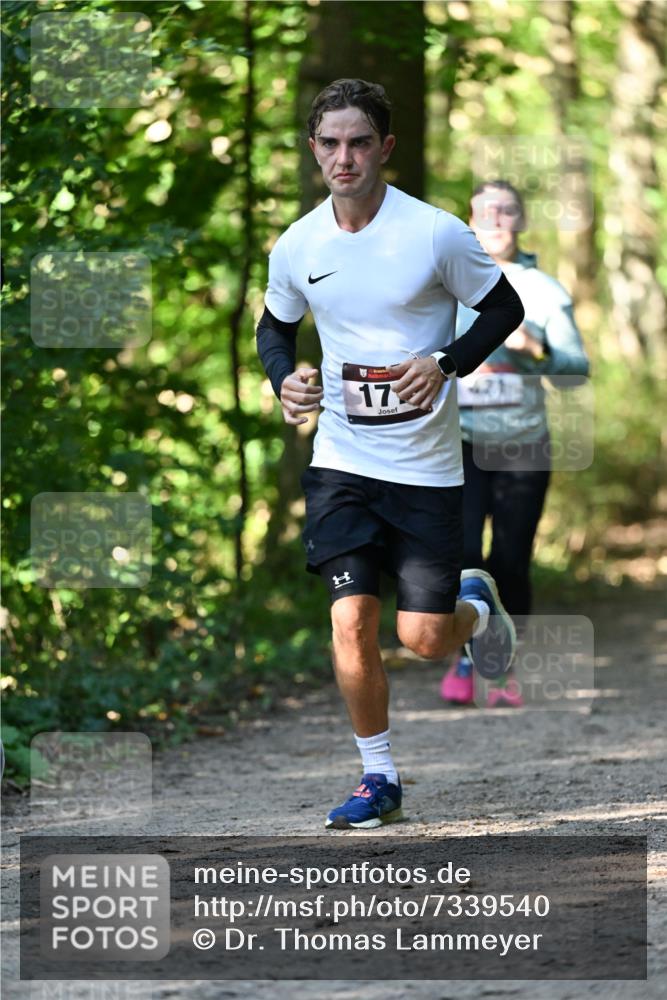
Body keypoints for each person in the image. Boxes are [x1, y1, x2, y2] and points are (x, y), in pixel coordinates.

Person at [256, 79, 525, 830]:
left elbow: (503, 307)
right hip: (342, 459)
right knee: (349, 621)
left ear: (385, 148)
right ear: (314, 150)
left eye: (359, 142)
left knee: (423, 639)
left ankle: (476, 609)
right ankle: (379, 777)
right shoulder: (298, 244)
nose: (344, 157)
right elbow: (273, 330)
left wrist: (443, 361)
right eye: (330, 143)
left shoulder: (434, 234)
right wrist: (287, 380)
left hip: (426, 470)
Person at [440, 180, 590, 708]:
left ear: (521, 220)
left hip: (523, 446)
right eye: (486, 212)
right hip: (457, 443)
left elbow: (576, 372)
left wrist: (537, 349)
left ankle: (500, 668)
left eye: (507, 212)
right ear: (470, 221)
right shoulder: (446, 284)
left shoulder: (544, 290)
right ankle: (466, 652)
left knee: (510, 558)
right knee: (461, 555)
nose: (497, 221)